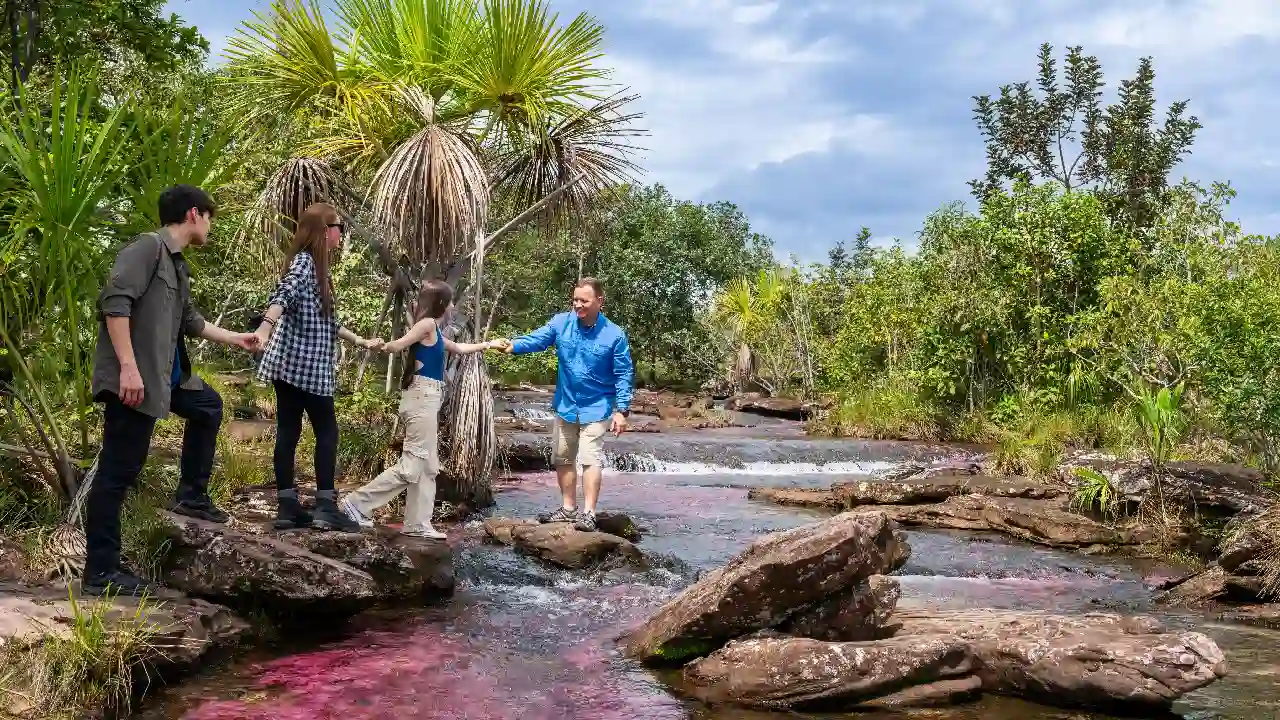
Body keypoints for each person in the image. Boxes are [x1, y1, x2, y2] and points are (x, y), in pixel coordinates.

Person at [85, 184, 262, 596]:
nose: (211, 226)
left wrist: (238, 338)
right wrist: (128, 369)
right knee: (118, 471)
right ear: (194, 215)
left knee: (207, 406)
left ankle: (191, 496)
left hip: (164, 378)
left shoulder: (177, 264)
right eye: (210, 217)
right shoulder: (146, 249)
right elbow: (114, 305)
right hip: (134, 381)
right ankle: (101, 571)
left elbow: (190, 321)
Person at [252, 203, 382, 532]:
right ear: (325, 230)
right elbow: (283, 294)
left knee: (289, 431)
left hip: (290, 365)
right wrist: (264, 328)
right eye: (340, 227)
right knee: (326, 431)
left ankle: (288, 506)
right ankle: (325, 506)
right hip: (305, 365)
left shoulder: (316, 268)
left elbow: (327, 322)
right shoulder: (305, 263)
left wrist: (361, 341)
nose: (342, 233)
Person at [339, 280, 501, 538]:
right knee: (412, 465)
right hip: (421, 397)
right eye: (450, 302)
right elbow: (399, 344)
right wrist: (380, 345)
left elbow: (458, 348)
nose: (452, 307)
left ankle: (417, 524)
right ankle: (357, 503)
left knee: (428, 466)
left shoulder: (436, 332)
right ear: (440, 304)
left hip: (429, 398)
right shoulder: (426, 325)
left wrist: (489, 345)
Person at [493, 277, 634, 532]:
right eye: (575, 299)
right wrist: (513, 345)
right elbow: (537, 339)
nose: (578, 305)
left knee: (590, 458)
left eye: (584, 300)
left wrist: (622, 411)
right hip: (566, 405)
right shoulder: (561, 323)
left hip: (597, 406)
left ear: (599, 301)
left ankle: (589, 513)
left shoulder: (614, 335)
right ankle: (568, 510)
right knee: (562, 458)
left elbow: (623, 374)